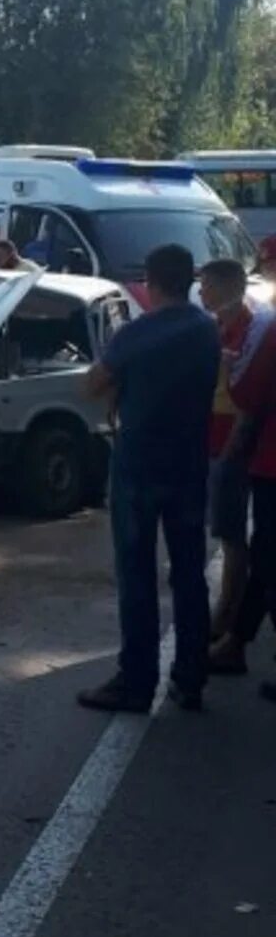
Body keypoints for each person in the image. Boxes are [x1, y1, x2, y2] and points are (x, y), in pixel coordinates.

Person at [78, 244, 220, 714]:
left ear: (151, 282)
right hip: (189, 465)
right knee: (189, 573)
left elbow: (94, 384)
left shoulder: (137, 333)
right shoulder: (206, 330)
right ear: (192, 280)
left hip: (139, 465)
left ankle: (136, 682)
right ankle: (191, 676)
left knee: (137, 575)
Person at [204, 271, 276, 689]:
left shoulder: (263, 329)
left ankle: (233, 634)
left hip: (268, 459)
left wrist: (228, 370)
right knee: (267, 555)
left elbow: (247, 394)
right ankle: (236, 638)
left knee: (266, 556)